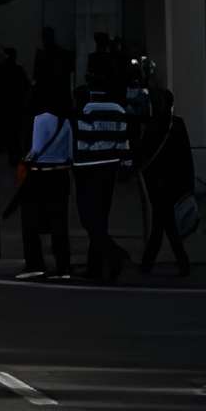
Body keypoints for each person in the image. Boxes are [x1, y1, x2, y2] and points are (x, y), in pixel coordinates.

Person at [73, 65, 131, 282]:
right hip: (110, 169)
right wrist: (125, 164)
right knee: (100, 218)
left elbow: (82, 142)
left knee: (88, 219)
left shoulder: (85, 109)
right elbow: (123, 142)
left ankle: (113, 254)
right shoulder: (119, 109)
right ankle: (96, 266)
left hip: (87, 170)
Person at [137, 87, 195, 277]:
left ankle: (150, 265)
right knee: (165, 225)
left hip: (157, 184)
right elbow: (186, 157)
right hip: (175, 183)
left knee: (161, 226)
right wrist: (188, 185)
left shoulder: (152, 126)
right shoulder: (178, 124)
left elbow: (143, 157)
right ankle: (180, 263)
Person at [16, 97, 73, 281]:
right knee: (59, 222)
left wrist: (26, 158)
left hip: (40, 173)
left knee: (30, 220)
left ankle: (35, 264)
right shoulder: (65, 121)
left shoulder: (40, 119)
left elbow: (37, 147)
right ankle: (63, 265)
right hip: (61, 173)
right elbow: (71, 152)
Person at [0, 47, 31, 166]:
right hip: (12, 105)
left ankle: (9, 151)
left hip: (8, 105)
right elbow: (26, 86)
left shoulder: (4, 69)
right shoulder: (15, 70)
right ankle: (13, 153)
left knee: (7, 128)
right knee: (14, 130)